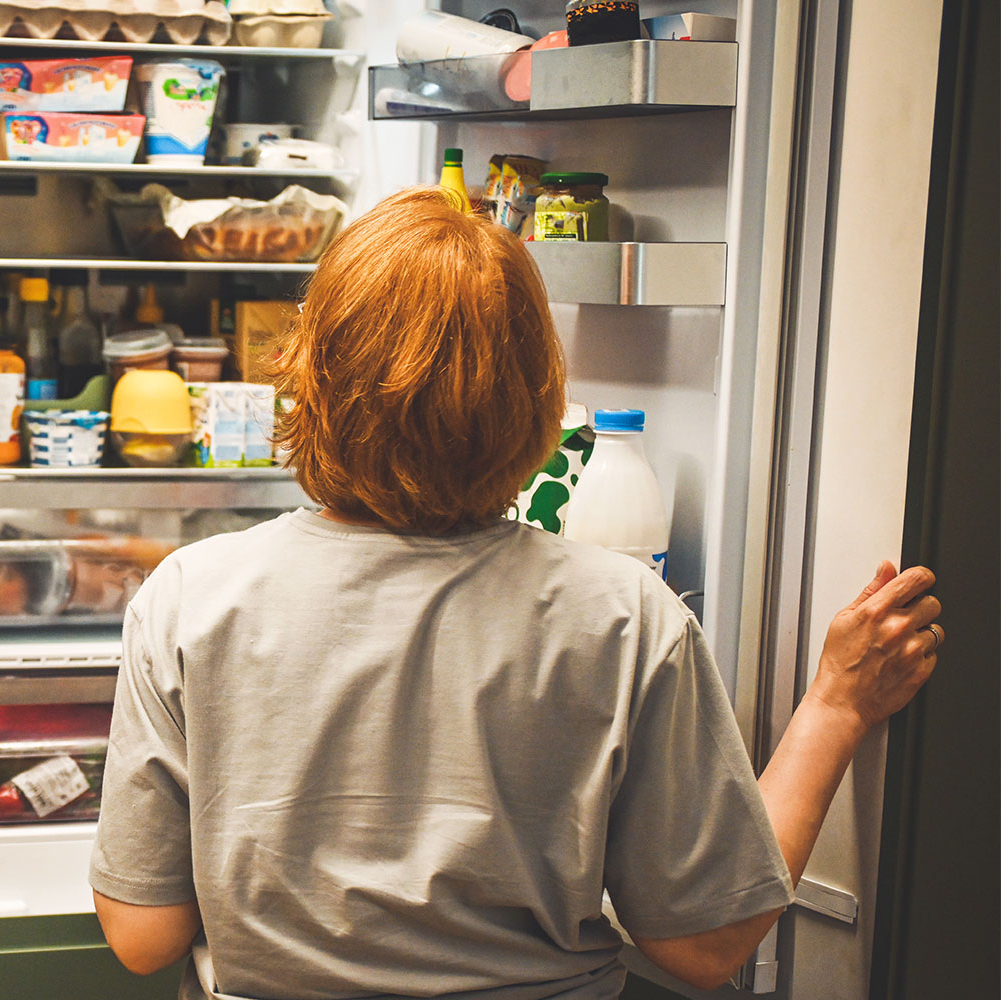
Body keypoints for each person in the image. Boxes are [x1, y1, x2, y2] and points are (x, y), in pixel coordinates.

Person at [87, 188, 944, 999]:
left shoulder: (191, 598)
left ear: (310, 374)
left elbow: (143, 935)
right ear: (536, 395)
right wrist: (834, 708)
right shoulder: (623, 612)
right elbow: (705, 945)